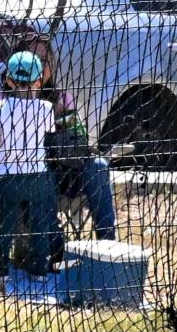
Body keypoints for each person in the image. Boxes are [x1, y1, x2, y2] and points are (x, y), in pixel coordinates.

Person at [14, 33, 116, 241]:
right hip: (28, 172)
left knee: (98, 166)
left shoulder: (62, 97)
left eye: (44, 61)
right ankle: (55, 245)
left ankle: (108, 245)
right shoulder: (4, 94)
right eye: (33, 60)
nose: (40, 67)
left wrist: (63, 121)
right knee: (44, 176)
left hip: (67, 169)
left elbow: (79, 138)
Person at [0, 50, 66, 296]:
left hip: (7, 175)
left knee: (6, 222)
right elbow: (46, 135)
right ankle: (39, 270)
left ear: (8, 80)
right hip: (37, 174)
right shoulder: (45, 108)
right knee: (39, 221)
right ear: (39, 81)